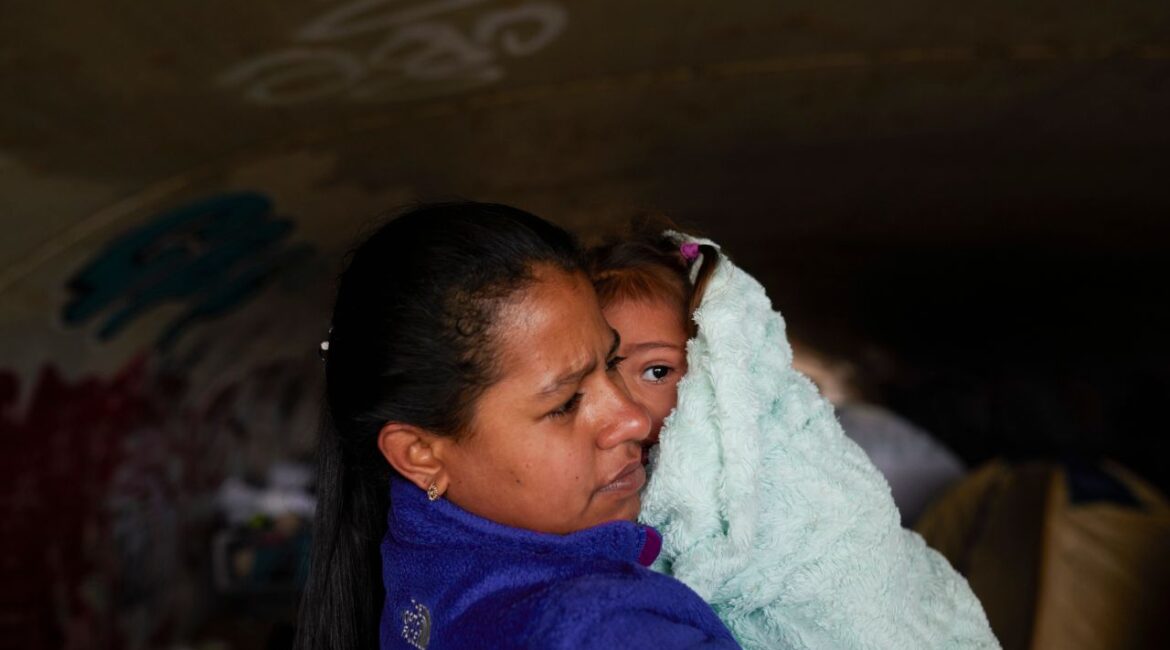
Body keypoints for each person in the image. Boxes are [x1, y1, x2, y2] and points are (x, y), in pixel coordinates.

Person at [294, 203, 738, 650]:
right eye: (565, 404)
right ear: (420, 455)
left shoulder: (416, 575)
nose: (634, 420)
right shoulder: (601, 628)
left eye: (610, 363)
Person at [588, 225, 998, 649]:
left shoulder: (802, 475)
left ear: (724, 374)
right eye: (596, 376)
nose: (624, 407)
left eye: (657, 371)